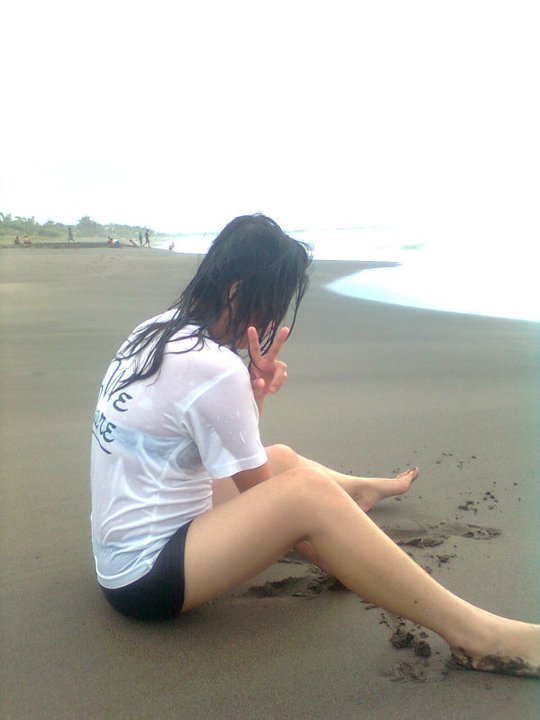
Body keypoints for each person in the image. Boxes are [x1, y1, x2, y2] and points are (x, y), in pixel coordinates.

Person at [91, 214, 539, 678]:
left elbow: (238, 462)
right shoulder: (213, 367)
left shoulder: (158, 330)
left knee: (283, 460)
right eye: (272, 302)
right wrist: (343, 553)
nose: (271, 318)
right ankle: (478, 637)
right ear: (238, 290)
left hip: (124, 547)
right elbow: (265, 498)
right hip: (146, 578)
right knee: (308, 493)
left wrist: (254, 392)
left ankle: (359, 493)